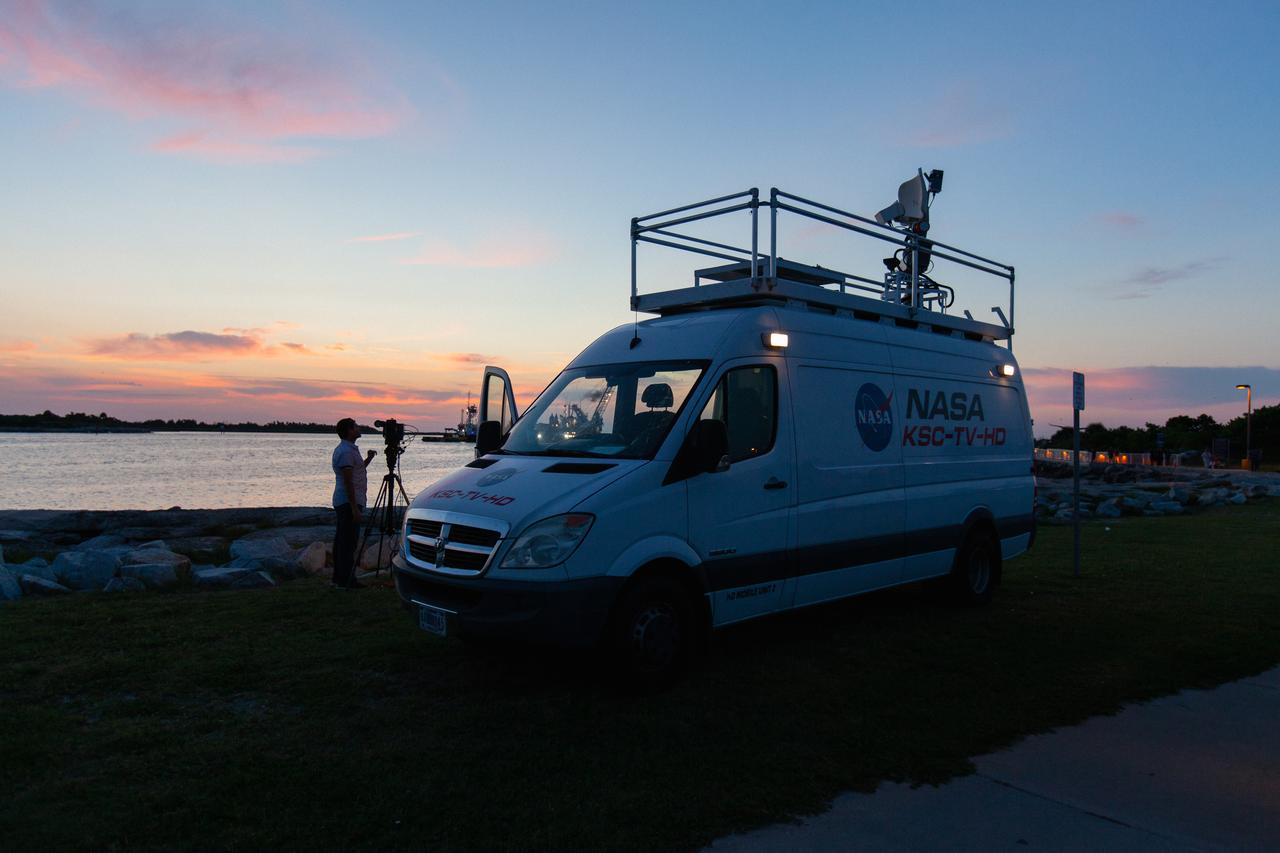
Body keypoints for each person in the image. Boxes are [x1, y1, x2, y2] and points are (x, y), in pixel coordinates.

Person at [332, 417, 376, 589]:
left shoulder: (348, 450)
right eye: (356, 426)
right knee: (348, 542)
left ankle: (340, 578)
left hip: (349, 501)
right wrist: (354, 509)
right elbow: (348, 481)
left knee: (343, 541)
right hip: (348, 502)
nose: (359, 428)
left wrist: (368, 459)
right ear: (349, 430)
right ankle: (346, 580)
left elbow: (357, 471)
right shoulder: (346, 451)